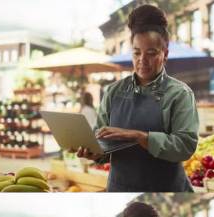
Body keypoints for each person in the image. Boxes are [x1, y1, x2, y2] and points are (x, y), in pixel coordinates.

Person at [77, 4, 198, 192]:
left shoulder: (179, 94)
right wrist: (93, 153)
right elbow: (102, 143)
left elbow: (185, 146)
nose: (143, 59)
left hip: (166, 190)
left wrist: (139, 137)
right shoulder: (113, 92)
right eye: (136, 52)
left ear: (165, 54)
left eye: (151, 53)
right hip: (120, 189)